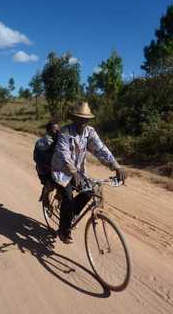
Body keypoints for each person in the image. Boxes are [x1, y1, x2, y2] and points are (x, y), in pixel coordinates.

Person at [51, 102, 126, 243]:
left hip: (78, 172)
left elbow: (100, 149)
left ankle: (71, 214)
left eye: (86, 119)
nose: (83, 122)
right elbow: (63, 154)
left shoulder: (89, 132)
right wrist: (74, 173)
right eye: (80, 119)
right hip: (62, 170)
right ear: (74, 118)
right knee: (67, 197)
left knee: (90, 190)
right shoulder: (65, 132)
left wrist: (116, 166)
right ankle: (63, 230)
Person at [33, 120, 60, 204]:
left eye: (58, 130)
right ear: (48, 131)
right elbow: (38, 158)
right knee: (51, 185)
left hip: (57, 168)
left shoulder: (59, 140)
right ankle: (45, 195)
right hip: (45, 170)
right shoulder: (42, 142)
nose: (57, 132)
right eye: (55, 130)